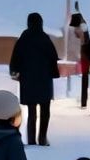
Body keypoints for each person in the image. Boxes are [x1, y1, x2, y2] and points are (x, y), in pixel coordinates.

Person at [9, 13, 59, 147]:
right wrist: (54, 73)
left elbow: (16, 57)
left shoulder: (24, 38)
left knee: (31, 111)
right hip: (44, 78)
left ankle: (31, 139)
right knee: (45, 110)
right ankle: (42, 137)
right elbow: (53, 57)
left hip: (28, 79)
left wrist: (14, 70)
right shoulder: (45, 38)